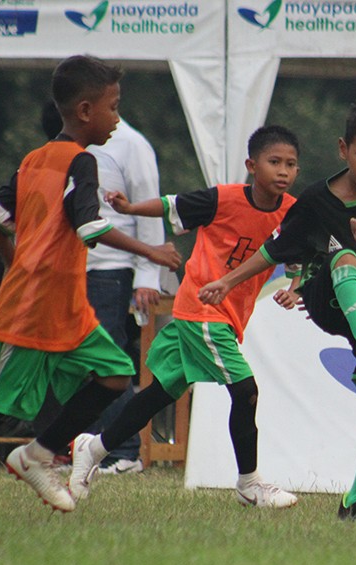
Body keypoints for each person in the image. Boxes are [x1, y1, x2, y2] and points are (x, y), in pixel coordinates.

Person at [0, 55, 182, 522]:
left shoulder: (36, 158)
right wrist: (151, 253)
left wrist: (15, 262)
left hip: (65, 309)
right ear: (86, 111)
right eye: (114, 107)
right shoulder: (82, 161)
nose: (117, 118)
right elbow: (90, 227)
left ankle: (37, 454)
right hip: (32, 309)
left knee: (115, 373)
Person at [198, 97, 356, 520]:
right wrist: (226, 282)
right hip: (329, 298)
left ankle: (355, 502)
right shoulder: (316, 201)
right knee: (343, 255)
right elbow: (271, 250)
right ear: (342, 150)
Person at [67, 125, 302, 509]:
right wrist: (128, 209)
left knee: (158, 394)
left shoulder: (292, 212)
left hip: (227, 315)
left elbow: (296, 259)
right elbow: (171, 205)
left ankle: (93, 447)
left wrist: (294, 286)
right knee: (245, 391)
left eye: (291, 165)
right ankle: (250, 483)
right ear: (251, 165)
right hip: (202, 311)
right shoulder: (222, 199)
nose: (283, 171)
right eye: (274, 162)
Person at [41, 102, 165, 475]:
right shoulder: (68, 147)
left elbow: (148, 206)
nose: (112, 114)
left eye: (114, 105)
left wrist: (147, 274)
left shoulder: (131, 144)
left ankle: (123, 451)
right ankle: (87, 448)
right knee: (78, 361)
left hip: (110, 270)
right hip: (70, 268)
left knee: (107, 359)